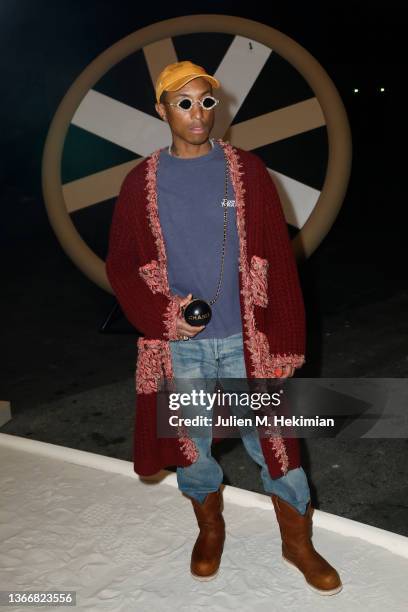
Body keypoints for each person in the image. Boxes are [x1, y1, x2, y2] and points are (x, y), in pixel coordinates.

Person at [105, 60, 342, 595]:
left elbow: (278, 263)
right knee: (191, 444)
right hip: (180, 349)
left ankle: (296, 542)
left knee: (275, 441)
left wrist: (284, 339)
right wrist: (162, 316)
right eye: (184, 103)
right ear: (161, 109)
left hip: (246, 341)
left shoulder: (249, 173)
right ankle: (210, 529)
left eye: (206, 102)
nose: (198, 113)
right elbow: (120, 264)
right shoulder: (140, 182)